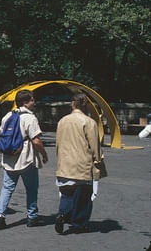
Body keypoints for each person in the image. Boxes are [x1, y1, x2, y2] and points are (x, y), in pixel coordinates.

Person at [0, 89, 48, 229]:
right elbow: (36, 141)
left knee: (7, 188)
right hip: (26, 159)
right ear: (25, 102)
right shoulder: (30, 118)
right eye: (32, 100)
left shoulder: (8, 116)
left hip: (9, 158)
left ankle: (0, 216)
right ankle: (32, 217)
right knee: (31, 189)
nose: (34, 102)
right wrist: (44, 154)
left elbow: (2, 133)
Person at [54, 93, 106, 234]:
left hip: (65, 163)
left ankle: (62, 214)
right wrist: (98, 160)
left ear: (72, 103)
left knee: (67, 193)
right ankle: (79, 223)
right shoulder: (89, 122)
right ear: (85, 105)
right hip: (83, 164)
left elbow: (58, 143)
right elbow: (95, 145)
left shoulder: (62, 121)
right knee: (84, 195)